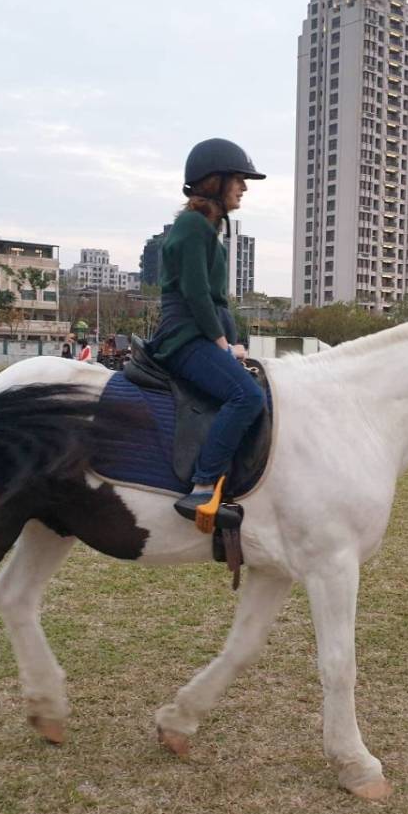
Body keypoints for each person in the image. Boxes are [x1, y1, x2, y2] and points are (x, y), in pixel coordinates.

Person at [146, 138, 266, 530]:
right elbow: (196, 293)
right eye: (238, 180)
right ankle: (202, 483)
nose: (244, 188)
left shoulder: (206, 228)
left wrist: (233, 343)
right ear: (215, 181)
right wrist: (222, 344)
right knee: (247, 396)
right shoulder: (192, 225)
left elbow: (216, 300)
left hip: (201, 336)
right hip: (184, 339)